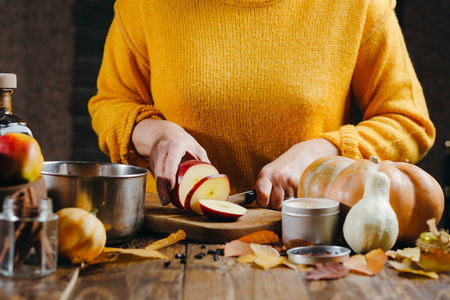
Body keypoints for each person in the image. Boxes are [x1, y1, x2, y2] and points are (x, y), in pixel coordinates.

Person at [88, 0, 435, 210]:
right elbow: (112, 104)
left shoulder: (358, 6)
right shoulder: (145, 5)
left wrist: (322, 153)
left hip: (310, 242)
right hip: (173, 236)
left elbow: (408, 120)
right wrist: (156, 133)